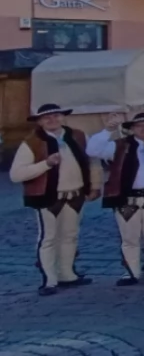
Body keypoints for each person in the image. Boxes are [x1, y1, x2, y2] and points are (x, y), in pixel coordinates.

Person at [9, 103, 99, 295]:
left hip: (75, 194)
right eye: (47, 117)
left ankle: (67, 274)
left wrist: (94, 186)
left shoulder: (78, 136)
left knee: (70, 235)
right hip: (48, 197)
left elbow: (93, 161)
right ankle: (49, 280)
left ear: (62, 117)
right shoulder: (32, 142)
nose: (52, 120)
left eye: (56, 116)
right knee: (48, 238)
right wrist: (46, 164)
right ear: (40, 121)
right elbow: (16, 175)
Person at [90, 112, 144, 286]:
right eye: (139, 126)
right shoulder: (120, 146)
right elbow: (92, 150)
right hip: (127, 199)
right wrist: (107, 130)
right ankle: (131, 272)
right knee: (129, 238)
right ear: (132, 129)